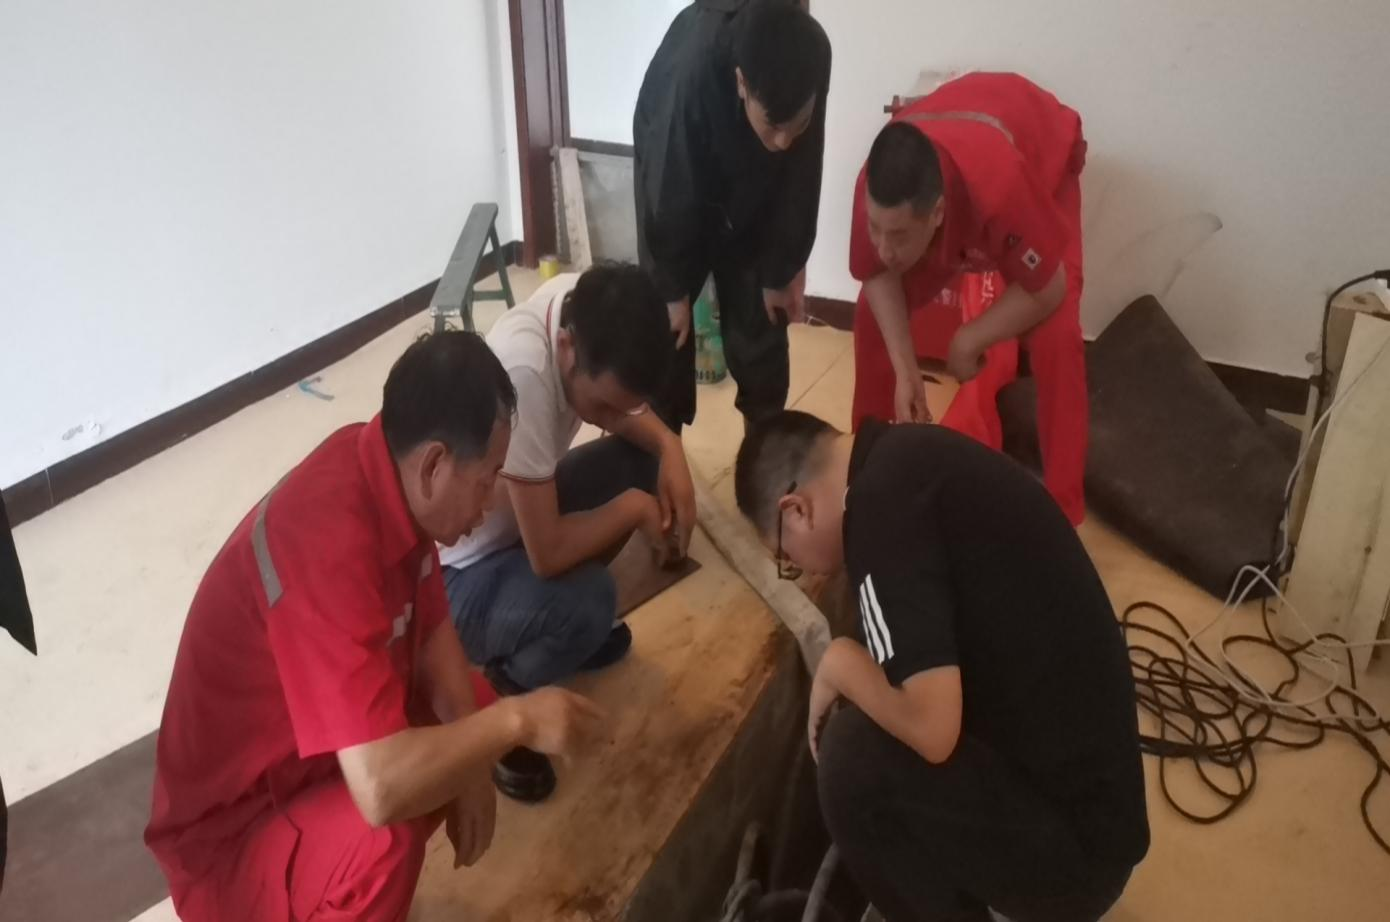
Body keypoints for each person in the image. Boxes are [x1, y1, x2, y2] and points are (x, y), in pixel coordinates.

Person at [145, 332, 605, 922]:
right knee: (383, 841)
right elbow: (380, 787)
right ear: (434, 465)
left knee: (470, 712)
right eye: (486, 479)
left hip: (302, 756)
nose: (489, 503)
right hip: (232, 838)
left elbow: (432, 628)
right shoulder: (324, 543)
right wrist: (517, 721)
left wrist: (473, 763)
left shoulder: (381, 467)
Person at [734, 410, 1149, 922]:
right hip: (1096, 811)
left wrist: (839, 661)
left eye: (786, 557)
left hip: (1078, 857)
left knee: (850, 758)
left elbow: (933, 731)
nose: (800, 570)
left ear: (796, 510)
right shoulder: (904, 459)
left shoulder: (878, 515)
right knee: (882, 683)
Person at [439, 263, 695, 802]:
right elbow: (548, 555)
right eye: (600, 404)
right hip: (456, 578)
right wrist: (634, 510)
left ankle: (553, 629)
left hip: (515, 519)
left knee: (641, 458)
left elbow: (625, 415)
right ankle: (508, 686)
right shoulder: (523, 375)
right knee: (591, 600)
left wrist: (669, 445)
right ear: (566, 348)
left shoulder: (580, 304)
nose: (607, 416)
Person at [850, 72, 1090, 524]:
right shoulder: (875, 184)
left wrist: (969, 339)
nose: (883, 248)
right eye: (874, 229)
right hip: (961, 177)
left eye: (897, 235)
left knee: (1056, 339)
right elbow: (877, 275)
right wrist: (906, 370)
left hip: (1040, 166)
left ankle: (1063, 511)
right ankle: (865, 474)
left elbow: (1048, 287)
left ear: (937, 214)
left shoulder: (1001, 187)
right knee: (871, 316)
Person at [634, 0, 831, 431]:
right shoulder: (692, 69)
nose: (784, 142)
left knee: (763, 333)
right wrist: (671, 288)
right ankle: (663, 461)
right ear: (742, 82)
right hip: (674, 176)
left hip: (752, 184)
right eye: (773, 126)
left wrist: (783, 268)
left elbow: (803, 169)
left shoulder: (810, 53)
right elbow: (669, 183)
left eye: (796, 125)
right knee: (668, 338)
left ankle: (764, 456)